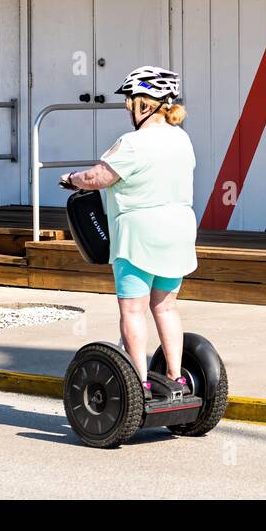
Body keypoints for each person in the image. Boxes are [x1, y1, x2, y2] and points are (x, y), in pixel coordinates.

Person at [60, 66, 196, 398]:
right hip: (179, 233)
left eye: (130, 102)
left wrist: (71, 178)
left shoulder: (132, 144)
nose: (126, 108)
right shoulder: (182, 138)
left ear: (144, 105)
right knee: (165, 307)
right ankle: (177, 378)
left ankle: (139, 383)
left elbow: (98, 178)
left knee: (133, 310)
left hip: (139, 237)